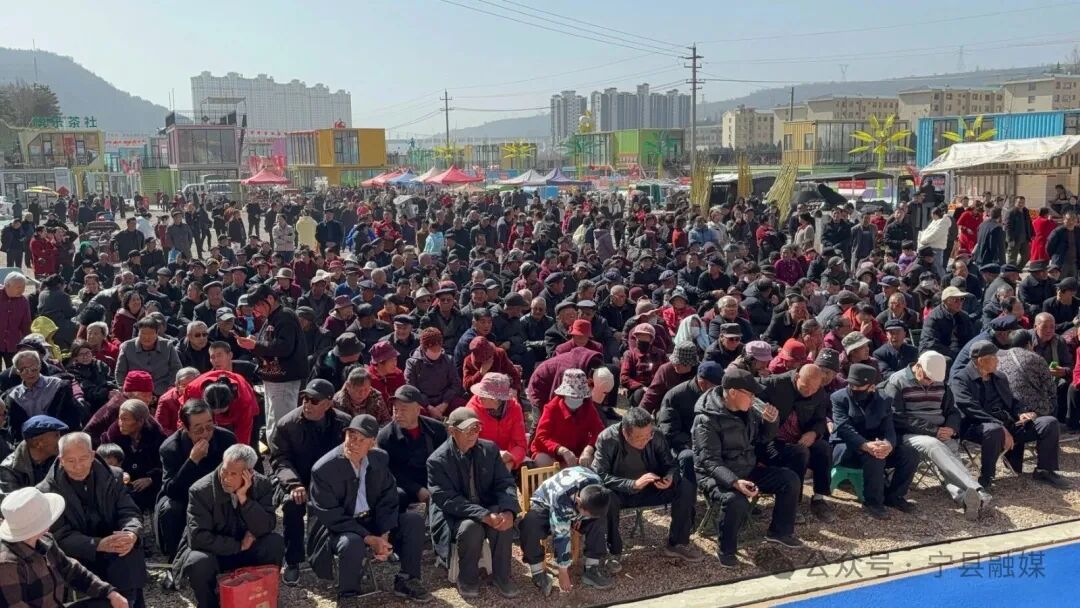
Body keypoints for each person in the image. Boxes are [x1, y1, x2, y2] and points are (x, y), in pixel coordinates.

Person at [693, 368, 802, 566]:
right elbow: (709, 461)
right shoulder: (706, 419)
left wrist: (771, 422)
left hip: (746, 467)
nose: (754, 399)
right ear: (733, 392)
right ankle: (726, 550)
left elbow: (762, 439)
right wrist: (735, 482)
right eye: (750, 394)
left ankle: (780, 532)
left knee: (790, 479)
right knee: (735, 500)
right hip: (716, 475)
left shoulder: (749, 411)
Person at [38, 432, 146, 607]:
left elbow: (129, 511)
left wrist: (130, 533)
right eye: (71, 461)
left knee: (128, 552)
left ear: (92, 455)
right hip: (79, 552)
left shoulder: (114, 476)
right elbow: (58, 535)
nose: (78, 466)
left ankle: (129, 601)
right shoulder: (46, 491)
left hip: (115, 542)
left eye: (83, 459)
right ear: (61, 460)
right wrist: (98, 544)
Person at [173, 444, 284, 608]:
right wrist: (238, 545)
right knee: (198, 561)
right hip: (217, 551)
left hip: (247, 548)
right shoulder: (200, 491)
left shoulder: (261, 485)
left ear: (249, 473)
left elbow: (266, 526)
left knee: (274, 543)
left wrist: (244, 500)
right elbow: (198, 538)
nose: (226, 478)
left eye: (233, 474)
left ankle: (262, 594)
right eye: (224, 471)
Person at [883, 351, 990, 521]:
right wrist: (933, 431)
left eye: (934, 380)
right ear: (918, 366)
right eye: (927, 378)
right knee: (933, 444)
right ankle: (977, 489)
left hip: (940, 432)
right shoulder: (897, 381)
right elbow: (897, 417)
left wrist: (951, 428)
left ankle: (966, 498)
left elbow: (952, 411)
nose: (931, 382)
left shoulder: (940, 381)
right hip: (909, 434)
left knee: (950, 449)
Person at [427, 407, 521, 599]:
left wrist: (509, 510)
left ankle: (502, 576)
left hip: (485, 505)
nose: (473, 434)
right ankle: (467, 578)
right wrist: (483, 515)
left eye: (476, 428)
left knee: (502, 522)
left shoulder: (489, 449)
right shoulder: (437, 460)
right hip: (453, 514)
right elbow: (447, 500)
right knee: (471, 528)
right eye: (467, 430)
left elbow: (505, 483)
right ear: (452, 431)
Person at [951, 340, 1067, 490]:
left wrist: (1021, 413)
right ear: (981, 361)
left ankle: (1044, 470)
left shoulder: (999, 377)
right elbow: (970, 408)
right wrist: (1000, 426)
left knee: (1049, 423)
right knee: (994, 430)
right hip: (977, 426)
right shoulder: (961, 379)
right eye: (994, 357)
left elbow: (1012, 400)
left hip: (1007, 423)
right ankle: (986, 478)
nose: (998, 360)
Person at [593, 407, 703, 565]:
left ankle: (677, 543)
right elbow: (599, 475)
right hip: (620, 492)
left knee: (685, 486)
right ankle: (614, 551)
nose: (645, 441)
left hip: (652, 488)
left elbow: (670, 464)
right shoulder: (607, 439)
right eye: (639, 438)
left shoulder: (655, 435)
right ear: (625, 433)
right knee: (606, 496)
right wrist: (632, 484)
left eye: (648, 436)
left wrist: (669, 478)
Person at [270, 378, 351, 587]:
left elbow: (349, 455)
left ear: (328, 403)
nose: (307, 404)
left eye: (314, 401)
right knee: (292, 504)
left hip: (331, 481)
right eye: (305, 398)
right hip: (299, 480)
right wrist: (294, 484)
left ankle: (344, 551)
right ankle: (293, 561)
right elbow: (280, 460)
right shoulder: (286, 424)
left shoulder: (344, 423)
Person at [0, 487, 132, 608]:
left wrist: (109, 592)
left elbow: (71, 570)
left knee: (111, 603)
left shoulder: (45, 539)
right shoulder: (7, 563)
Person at [830, 363, 919, 520]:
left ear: (872, 387)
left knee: (909, 454)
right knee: (874, 456)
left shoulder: (884, 400)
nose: (854, 388)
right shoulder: (839, 398)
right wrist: (865, 445)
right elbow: (844, 428)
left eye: (858, 386)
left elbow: (889, 428)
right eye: (851, 384)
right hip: (848, 448)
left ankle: (895, 496)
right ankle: (873, 502)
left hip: (875, 445)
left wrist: (888, 444)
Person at [155, 399, 237, 566]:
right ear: (185, 428)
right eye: (198, 430)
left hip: (219, 491)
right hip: (185, 495)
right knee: (171, 508)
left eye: (209, 427)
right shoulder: (170, 448)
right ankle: (176, 560)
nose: (205, 434)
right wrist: (192, 462)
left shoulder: (226, 439)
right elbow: (172, 490)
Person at [759, 364, 835, 522]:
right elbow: (751, 393)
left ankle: (819, 498)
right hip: (773, 443)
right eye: (805, 386)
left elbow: (820, 419)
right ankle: (793, 503)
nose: (809, 391)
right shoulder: (774, 384)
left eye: (814, 388)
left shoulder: (819, 393)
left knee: (823, 448)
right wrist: (763, 414)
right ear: (797, 377)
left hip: (800, 437)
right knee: (800, 453)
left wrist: (813, 433)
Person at [520, 468, 613, 596]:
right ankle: (538, 573)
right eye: (586, 514)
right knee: (529, 525)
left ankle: (592, 567)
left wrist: (580, 517)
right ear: (579, 502)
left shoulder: (598, 489)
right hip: (546, 502)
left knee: (598, 521)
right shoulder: (561, 499)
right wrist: (563, 572)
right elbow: (561, 536)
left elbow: (593, 509)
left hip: (576, 505)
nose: (588, 517)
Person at [235, 285, 307, 444]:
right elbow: (269, 343)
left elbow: (284, 347)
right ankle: (275, 451)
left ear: (269, 299)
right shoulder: (273, 317)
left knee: (280, 423)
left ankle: (281, 453)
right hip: (273, 377)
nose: (256, 311)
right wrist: (255, 343)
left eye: (258, 306)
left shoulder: (285, 316)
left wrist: (256, 345)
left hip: (284, 378)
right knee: (272, 420)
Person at [657, 361, 724, 484]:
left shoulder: (718, 394)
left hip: (710, 441)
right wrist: (694, 444)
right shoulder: (675, 396)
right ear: (702, 382)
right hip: (683, 445)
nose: (718, 389)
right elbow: (669, 431)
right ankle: (688, 491)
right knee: (689, 457)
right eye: (714, 385)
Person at [530, 369, 605, 468]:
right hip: (553, 455)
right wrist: (561, 450)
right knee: (542, 460)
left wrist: (589, 449)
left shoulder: (588, 406)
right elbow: (541, 437)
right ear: (564, 394)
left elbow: (600, 431)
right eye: (572, 396)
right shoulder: (552, 408)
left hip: (578, 455)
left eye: (579, 397)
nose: (576, 399)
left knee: (595, 460)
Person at [99, 399, 165, 511]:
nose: (120, 423)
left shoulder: (157, 437)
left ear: (140, 422)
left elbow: (166, 466)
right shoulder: (112, 438)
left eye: (125, 419)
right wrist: (119, 474)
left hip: (150, 488)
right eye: (119, 418)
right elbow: (103, 466)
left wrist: (151, 479)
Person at [4, 350, 82, 442]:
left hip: (60, 438)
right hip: (31, 443)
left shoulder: (59, 386)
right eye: (23, 369)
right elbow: (15, 430)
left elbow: (73, 419)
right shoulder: (13, 396)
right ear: (17, 371)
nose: (30, 373)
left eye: (33, 368)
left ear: (39, 366)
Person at [465, 373, 528, 471]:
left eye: (483, 395)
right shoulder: (472, 409)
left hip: (506, 459)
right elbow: (467, 444)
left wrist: (511, 459)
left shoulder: (515, 408)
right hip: (480, 460)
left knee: (529, 466)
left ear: (496, 400)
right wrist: (493, 456)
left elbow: (520, 445)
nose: (479, 397)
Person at [0, 415, 67, 506]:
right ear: (37, 444)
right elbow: (11, 506)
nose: (61, 440)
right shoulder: (9, 469)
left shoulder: (60, 460)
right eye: (56, 435)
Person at [404, 327, 463, 419]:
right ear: (424, 348)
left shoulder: (448, 360)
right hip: (424, 403)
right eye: (432, 350)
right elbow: (412, 388)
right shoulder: (413, 363)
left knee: (460, 405)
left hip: (444, 400)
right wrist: (429, 407)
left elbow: (456, 384)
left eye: (438, 349)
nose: (436, 352)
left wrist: (445, 403)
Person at [114, 318, 182, 397]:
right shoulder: (127, 347)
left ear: (157, 333)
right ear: (138, 333)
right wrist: (123, 389)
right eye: (143, 333)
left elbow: (176, 368)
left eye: (151, 334)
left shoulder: (167, 346)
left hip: (163, 390)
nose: (147, 337)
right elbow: (120, 371)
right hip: (136, 392)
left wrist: (172, 386)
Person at [0, 272, 31, 368]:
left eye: (23, 287)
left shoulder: (23, 301)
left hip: (13, 344)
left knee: (13, 372)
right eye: (19, 287)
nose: (22, 290)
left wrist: (26, 344)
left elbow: (26, 325)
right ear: (7, 285)